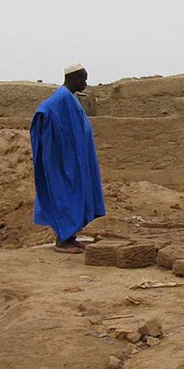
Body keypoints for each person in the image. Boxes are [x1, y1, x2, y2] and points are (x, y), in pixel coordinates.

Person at [30, 63, 106, 254]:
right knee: (65, 196)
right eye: (84, 79)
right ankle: (62, 241)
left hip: (75, 160)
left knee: (76, 196)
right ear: (74, 79)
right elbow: (43, 114)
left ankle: (70, 237)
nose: (86, 83)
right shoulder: (60, 99)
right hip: (63, 162)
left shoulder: (69, 98)